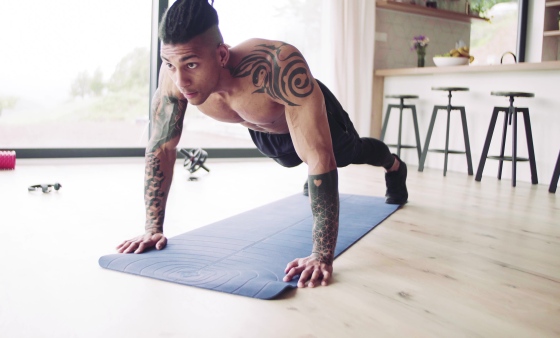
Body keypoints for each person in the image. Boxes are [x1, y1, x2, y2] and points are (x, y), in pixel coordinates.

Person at [116, 0, 408, 288]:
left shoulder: (277, 65)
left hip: (308, 112)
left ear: (220, 55)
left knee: (350, 152)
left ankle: (394, 166)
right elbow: (161, 147)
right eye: (170, 64)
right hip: (267, 133)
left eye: (191, 64)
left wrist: (321, 255)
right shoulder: (173, 78)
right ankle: (309, 174)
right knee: (292, 159)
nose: (181, 79)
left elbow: (320, 157)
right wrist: (152, 229)